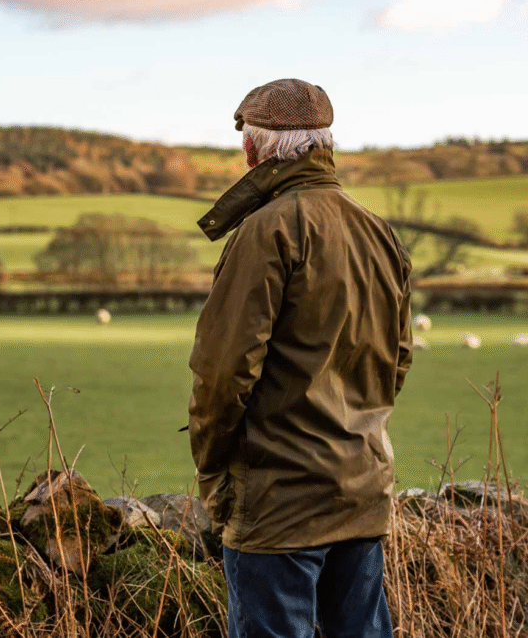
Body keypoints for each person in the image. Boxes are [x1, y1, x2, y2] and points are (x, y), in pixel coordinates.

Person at [188, 78, 413, 638]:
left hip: (279, 504)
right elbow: (397, 361)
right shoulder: (378, 234)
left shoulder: (265, 231)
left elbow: (223, 376)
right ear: (324, 145)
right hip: (361, 491)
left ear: (253, 150)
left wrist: (215, 470)